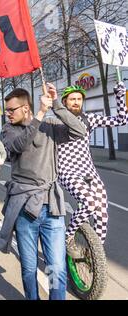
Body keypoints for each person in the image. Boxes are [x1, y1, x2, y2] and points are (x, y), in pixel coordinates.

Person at [0, 85, 86, 300]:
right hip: (24, 207)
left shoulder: (51, 125)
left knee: (57, 266)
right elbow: (20, 145)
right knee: (29, 268)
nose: (7, 114)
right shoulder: (9, 130)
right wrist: (39, 114)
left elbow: (79, 131)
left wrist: (56, 104)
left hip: (52, 206)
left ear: (25, 108)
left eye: (11, 110)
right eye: (6, 110)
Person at [58, 83, 127, 258]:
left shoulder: (90, 119)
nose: (76, 102)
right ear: (64, 102)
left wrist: (120, 95)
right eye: (72, 99)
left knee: (102, 210)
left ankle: (95, 253)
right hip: (67, 170)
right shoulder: (56, 121)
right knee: (89, 203)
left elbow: (121, 120)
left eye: (79, 99)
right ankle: (68, 236)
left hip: (88, 170)